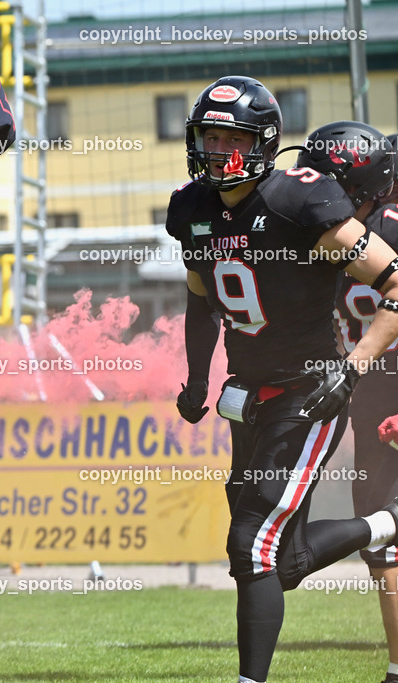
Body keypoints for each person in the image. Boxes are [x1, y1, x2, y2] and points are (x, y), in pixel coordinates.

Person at [166, 76, 398, 683]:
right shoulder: (191, 207)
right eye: (207, 136)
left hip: (309, 388)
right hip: (248, 392)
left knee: (250, 540)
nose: (215, 149)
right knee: (276, 559)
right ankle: (390, 523)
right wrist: (197, 377)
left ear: (264, 141)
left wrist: (351, 369)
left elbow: (395, 282)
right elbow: (199, 301)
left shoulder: (302, 199)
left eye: (229, 137)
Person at [298, 122, 398, 683]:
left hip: (381, 391)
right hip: (365, 398)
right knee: (383, 539)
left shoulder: (375, 231)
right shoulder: (313, 231)